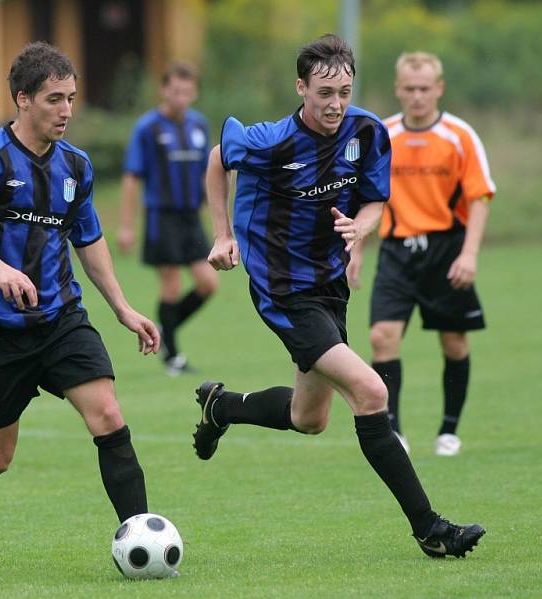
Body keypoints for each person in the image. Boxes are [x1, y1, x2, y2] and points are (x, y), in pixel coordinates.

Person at [193, 34, 485, 558]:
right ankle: (431, 529)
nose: (335, 104)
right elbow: (218, 158)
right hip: (283, 290)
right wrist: (222, 233)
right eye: (325, 92)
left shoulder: (367, 132)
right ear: (301, 86)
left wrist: (360, 229)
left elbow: (375, 201)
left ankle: (222, 408)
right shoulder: (269, 140)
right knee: (372, 392)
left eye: (344, 92)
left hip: (329, 286)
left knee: (310, 418)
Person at [0, 41, 160, 560]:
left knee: (107, 414)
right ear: (22, 99)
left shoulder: (76, 166)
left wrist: (123, 308)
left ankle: (141, 536)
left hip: (60, 318)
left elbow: (88, 239)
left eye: (71, 98)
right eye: (54, 99)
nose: (67, 110)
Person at [347, 52, 495, 457]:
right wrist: (357, 249)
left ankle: (449, 431)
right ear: (398, 89)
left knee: (454, 342)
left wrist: (470, 254)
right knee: (382, 337)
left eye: (424, 89)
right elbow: (365, 196)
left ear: (439, 89)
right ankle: (393, 428)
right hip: (397, 251)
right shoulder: (382, 133)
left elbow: (479, 197)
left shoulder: (459, 135)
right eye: (409, 89)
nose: (416, 96)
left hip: (447, 249)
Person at [117, 61, 218, 376]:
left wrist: (218, 220)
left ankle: (164, 327)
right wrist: (125, 226)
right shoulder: (147, 128)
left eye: (188, 91)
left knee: (208, 283)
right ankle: (173, 356)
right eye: (176, 91)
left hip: (190, 217)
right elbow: (132, 177)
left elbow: (209, 174)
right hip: (162, 216)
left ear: (195, 93)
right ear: (164, 90)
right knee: (171, 286)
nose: (181, 98)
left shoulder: (199, 126)